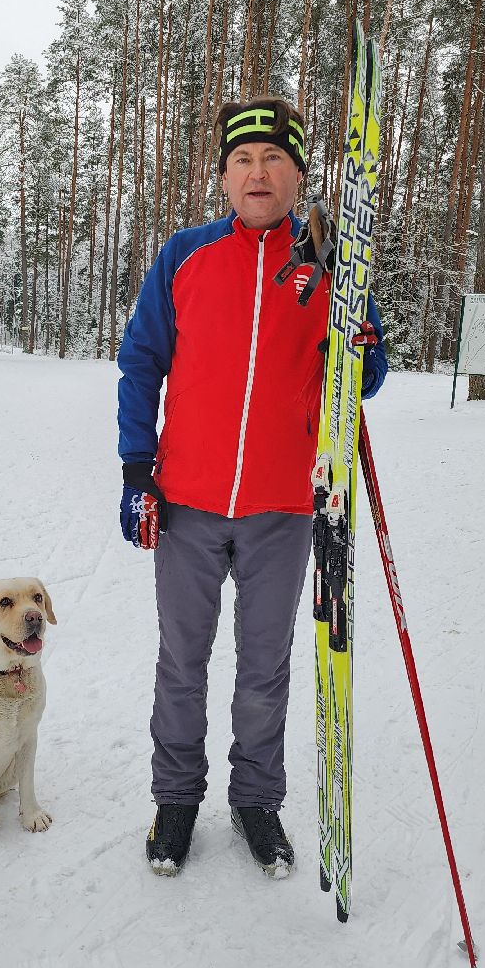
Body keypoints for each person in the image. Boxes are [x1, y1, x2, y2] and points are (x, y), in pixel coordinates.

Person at [115, 96, 388, 879]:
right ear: (225, 176)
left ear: (298, 174)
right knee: (182, 663)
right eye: (243, 160)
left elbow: (366, 376)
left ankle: (256, 801)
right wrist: (137, 470)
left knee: (265, 668)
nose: (257, 172)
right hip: (189, 504)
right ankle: (176, 799)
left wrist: (359, 343)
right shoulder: (186, 255)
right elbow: (141, 363)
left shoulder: (330, 263)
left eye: (274, 159)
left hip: (284, 509)